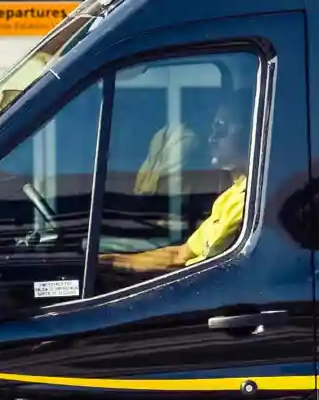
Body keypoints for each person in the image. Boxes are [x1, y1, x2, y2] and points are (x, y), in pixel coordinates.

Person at [102, 100, 250, 274]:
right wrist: (107, 262)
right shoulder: (228, 197)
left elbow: (207, 270)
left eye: (222, 128)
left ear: (252, 133)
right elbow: (179, 255)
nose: (212, 138)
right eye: (213, 127)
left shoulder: (249, 202)